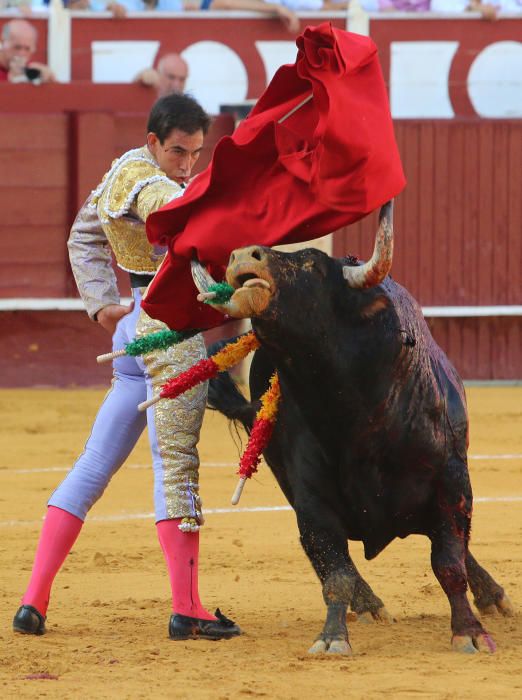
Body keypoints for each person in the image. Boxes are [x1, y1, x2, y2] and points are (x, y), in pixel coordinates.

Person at [12, 93, 241, 642]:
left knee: (94, 464)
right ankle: (187, 608)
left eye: (196, 154)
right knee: (176, 464)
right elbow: (167, 209)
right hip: (169, 332)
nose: (186, 164)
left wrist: (101, 301)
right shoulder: (148, 182)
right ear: (152, 143)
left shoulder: (118, 173)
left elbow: (83, 235)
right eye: (178, 152)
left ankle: (33, 600)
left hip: (132, 327)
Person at [0, 18, 55, 83]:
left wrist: (48, 80)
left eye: (27, 49)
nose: (21, 53)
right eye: (17, 47)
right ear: (2, 42)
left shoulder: (31, 69)